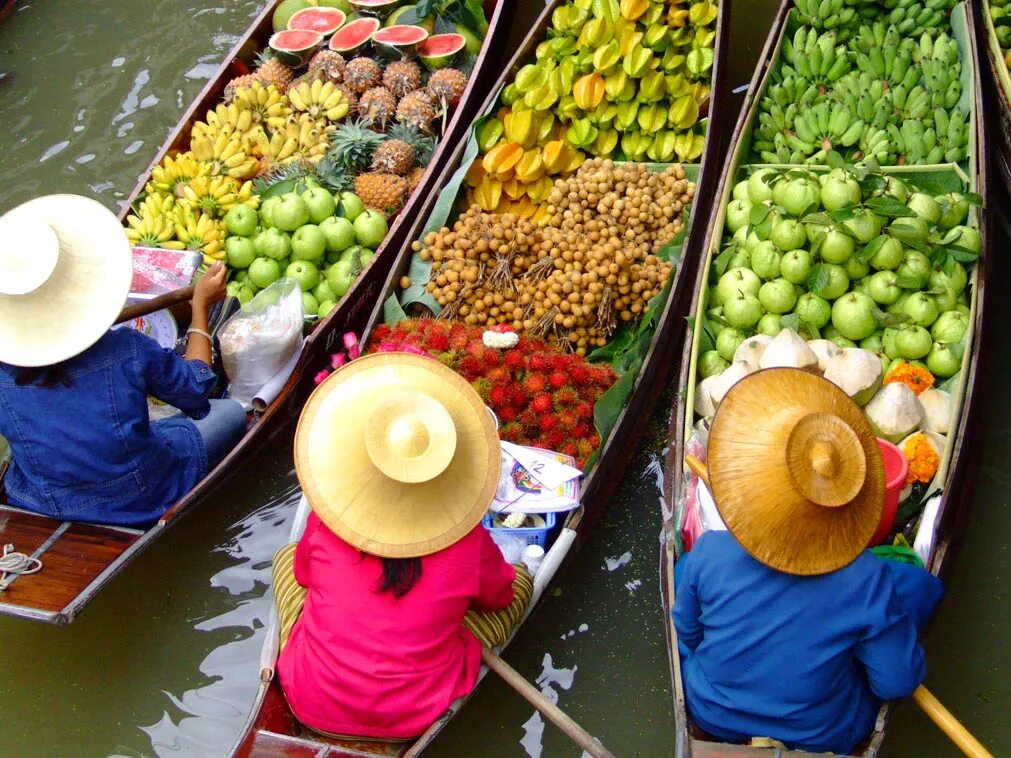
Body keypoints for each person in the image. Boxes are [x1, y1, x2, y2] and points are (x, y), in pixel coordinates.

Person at [673, 368, 944, 754]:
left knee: (686, 575)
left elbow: (688, 632)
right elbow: (895, 683)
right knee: (916, 589)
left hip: (713, 711)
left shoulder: (712, 551)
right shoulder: (866, 578)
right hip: (823, 733)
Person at [273, 351, 532, 740]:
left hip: (310, 701)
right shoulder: (468, 544)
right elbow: (499, 597)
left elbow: (303, 575)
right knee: (521, 584)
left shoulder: (327, 524)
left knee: (286, 557)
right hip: (415, 717)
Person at [0, 193, 246, 526]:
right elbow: (196, 391)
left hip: (42, 497)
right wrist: (199, 309)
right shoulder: (126, 349)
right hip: (141, 495)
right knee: (229, 411)